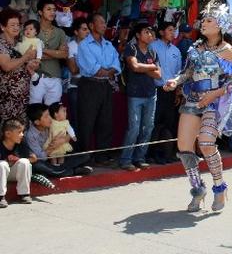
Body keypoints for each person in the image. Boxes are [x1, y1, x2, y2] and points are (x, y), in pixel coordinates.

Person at [164, 0, 232, 213]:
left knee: (207, 143)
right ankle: (197, 189)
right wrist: (175, 81)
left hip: (212, 102)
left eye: (208, 20)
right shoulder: (196, 47)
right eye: (203, 19)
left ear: (220, 25)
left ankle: (219, 187)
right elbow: (187, 73)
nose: (203, 23)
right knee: (184, 148)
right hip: (192, 101)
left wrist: (215, 94)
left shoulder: (228, 51)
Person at [76, 13, 121, 165]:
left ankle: (102, 156)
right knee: (87, 121)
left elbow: (116, 65)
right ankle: (84, 158)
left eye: (104, 22)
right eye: (101, 22)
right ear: (91, 25)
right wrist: (108, 72)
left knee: (105, 121)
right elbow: (93, 68)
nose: (104, 25)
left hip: (106, 86)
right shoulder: (84, 45)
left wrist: (108, 72)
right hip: (89, 85)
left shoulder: (109, 45)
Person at [120, 22, 161, 171]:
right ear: (138, 35)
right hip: (135, 94)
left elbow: (159, 74)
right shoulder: (131, 48)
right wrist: (151, 67)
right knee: (134, 128)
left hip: (151, 94)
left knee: (148, 127)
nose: (150, 35)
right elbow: (134, 67)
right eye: (146, 32)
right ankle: (125, 159)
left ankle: (140, 158)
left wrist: (145, 68)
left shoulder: (152, 52)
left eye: (150, 33)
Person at [25, 103, 92, 178]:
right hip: (45, 161)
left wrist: (63, 140)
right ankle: (72, 171)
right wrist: (53, 146)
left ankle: (60, 170)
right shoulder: (30, 136)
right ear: (37, 122)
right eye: (46, 117)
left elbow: (69, 133)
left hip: (59, 157)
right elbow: (41, 157)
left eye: (49, 115)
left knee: (85, 155)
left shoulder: (52, 124)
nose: (50, 118)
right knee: (38, 166)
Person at [149, 22, 181, 164]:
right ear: (161, 32)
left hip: (171, 91)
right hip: (157, 90)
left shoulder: (176, 50)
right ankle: (152, 154)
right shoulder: (153, 46)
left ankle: (167, 153)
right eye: (169, 30)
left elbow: (179, 73)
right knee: (155, 124)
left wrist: (178, 92)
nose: (173, 32)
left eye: (174, 30)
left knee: (170, 123)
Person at [0, 8, 39, 124]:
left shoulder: (19, 43)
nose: (17, 27)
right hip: (7, 99)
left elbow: (23, 64)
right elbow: (6, 66)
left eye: (18, 24)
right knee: (7, 134)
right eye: (12, 25)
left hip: (22, 98)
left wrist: (32, 65)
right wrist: (26, 57)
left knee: (20, 134)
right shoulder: (1, 44)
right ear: (2, 27)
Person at [30, 0, 68, 105]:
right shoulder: (31, 29)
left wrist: (41, 51)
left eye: (54, 10)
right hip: (35, 76)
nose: (53, 12)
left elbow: (64, 54)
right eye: (49, 9)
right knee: (35, 111)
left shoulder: (60, 32)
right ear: (40, 12)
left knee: (53, 113)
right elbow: (29, 55)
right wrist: (56, 53)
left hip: (55, 76)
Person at [0, 119, 33, 207]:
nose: (22, 135)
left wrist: (18, 159)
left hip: (14, 174)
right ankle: (1, 197)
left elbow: (33, 158)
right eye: (19, 132)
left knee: (24, 162)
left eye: (22, 131)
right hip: (2, 174)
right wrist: (7, 161)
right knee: (2, 164)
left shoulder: (22, 142)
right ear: (8, 134)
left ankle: (24, 194)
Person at [65, 17, 89, 140]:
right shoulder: (71, 46)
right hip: (76, 87)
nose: (88, 32)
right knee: (77, 120)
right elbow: (73, 70)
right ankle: (77, 150)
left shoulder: (92, 46)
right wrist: (90, 66)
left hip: (91, 87)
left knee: (88, 120)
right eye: (84, 29)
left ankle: (86, 150)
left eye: (88, 29)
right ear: (76, 31)